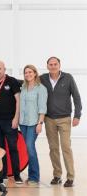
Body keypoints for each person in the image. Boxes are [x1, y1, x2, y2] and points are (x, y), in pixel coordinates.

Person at [40, 57, 82, 187]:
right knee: (53, 149)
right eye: (50, 64)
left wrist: (77, 115)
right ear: (47, 66)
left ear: (59, 65)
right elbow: (29, 83)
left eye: (55, 64)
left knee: (65, 147)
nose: (53, 66)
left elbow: (76, 97)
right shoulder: (42, 79)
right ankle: (57, 175)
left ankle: (70, 177)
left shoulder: (68, 78)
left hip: (64, 118)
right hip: (49, 119)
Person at [19, 65, 47, 185]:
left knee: (30, 148)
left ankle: (34, 177)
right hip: (23, 122)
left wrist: (40, 123)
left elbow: (42, 108)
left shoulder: (41, 88)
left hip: (34, 123)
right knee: (27, 148)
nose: (28, 74)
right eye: (26, 73)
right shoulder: (23, 88)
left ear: (35, 73)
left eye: (30, 72)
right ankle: (31, 176)